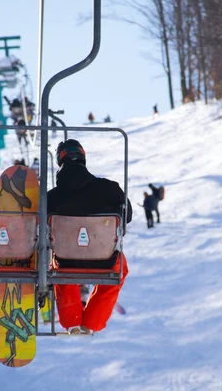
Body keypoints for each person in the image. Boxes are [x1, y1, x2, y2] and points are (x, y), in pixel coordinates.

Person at [48, 139, 132, 335]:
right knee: (119, 270)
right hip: (104, 260)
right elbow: (127, 216)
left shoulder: (51, 197)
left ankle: (71, 321)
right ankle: (94, 322)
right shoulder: (110, 189)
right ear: (83, 158)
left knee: (59, 268)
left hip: (66, 261)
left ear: (61, 162)